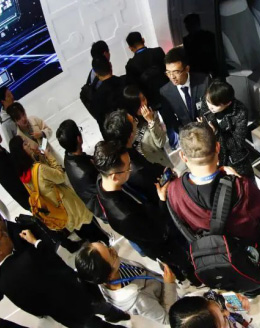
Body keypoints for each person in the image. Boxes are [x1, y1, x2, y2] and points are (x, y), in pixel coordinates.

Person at [162, 123, 260, 290]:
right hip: (248, 253)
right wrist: (239, 179)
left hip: (214, 259)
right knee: (255, 277)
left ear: (183, 156)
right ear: (217, 147)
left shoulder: (174, 190)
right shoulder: (240, 187)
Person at [0, 219, 124, 328]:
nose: (7, 234)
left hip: (65, 316)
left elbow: (34, 310)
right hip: (78, 296)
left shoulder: (3, 285)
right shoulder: (28, 256)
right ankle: (114, 313)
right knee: (102, 309)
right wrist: (36, 243)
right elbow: (57, 264)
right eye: (2, 235)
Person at [93, 141, 198, 285]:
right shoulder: (124, 215)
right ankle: (193, 279)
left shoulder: (103, 182)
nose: (131, 169)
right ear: (114, 176)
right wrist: (162, 200)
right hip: (161, 245)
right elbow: (160, 232)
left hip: (148, 225)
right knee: (182, 262)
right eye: (128, 167)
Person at [8, 136, 108, 244]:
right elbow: (60, 176)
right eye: (25, 144)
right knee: (94, 231)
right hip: (71, 206)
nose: (28, 145)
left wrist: (39, 158)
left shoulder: (24, 177)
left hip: (59, 212)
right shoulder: (39, 169)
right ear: (21, 152)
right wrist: (49, 156)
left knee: (85, 234)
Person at [76, 241, 178, 325]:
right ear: (109, 275)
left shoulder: (109, 270)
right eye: (110, 253)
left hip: (162, 286)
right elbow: (167, 319)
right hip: (172, 303)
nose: (113, 249)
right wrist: (169, 284)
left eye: (106, 245)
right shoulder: (138, 299)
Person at [103, 109, 165, 201]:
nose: (137, 121)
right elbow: (154, 192)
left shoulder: (124, 150)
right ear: (131, 134)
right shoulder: (135, 168)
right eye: (134, 121)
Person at [198, 80, 253, 178]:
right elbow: (204, 120)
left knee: (243, 184)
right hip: (213, 156)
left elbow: (238, 143)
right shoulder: (206, 100)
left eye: (215, 105)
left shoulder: (240, 111)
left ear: (227, 103)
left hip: (233, 159)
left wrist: (216, 133)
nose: (210, 107)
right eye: (208, 101)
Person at [160, 47, 209, 149]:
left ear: (187, 69)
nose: (172, 77)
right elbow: (170, 119)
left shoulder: (204, 81)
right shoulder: (165, 92)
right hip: (188, 137)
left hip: (208, 131)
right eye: (168, 72)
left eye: (176, 72)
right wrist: (185, 134)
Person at [57, 119, 105, 219]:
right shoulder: (85, 172)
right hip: (104, 207)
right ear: (79, 138)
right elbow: (105, 190)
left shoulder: (69, 156)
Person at [122, 85, 173, 168]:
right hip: (145, 166)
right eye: (138, 104)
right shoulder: (130, 125)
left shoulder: (152, 114)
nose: (143, 105)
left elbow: (161, 143)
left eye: (143, 99)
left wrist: (151, 121)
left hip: (162, 162)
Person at [124, 31, 169, 109]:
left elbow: (134, 88)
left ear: (130, 48)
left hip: (152, 102)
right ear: (143, 40)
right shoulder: (158, 51)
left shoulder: (130, 65)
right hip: (169, 92)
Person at [169, 293, 251, 328]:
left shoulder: (198, 297)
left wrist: (229, 300)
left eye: (220, 309)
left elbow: (217, 293)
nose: (227, 313)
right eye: (224, 319)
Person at [92, 56, 125, 131]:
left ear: (96, 74)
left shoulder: (96, 98)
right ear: (110, 65)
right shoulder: (126, 81)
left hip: (118, 133)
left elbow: (102, 125)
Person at [0, 86, 17, 150]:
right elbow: (12, 145)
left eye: (11, 94)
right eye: (9, 96)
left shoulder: (17, 107)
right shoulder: (5, 123)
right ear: (2, 101)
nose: (12, 97)